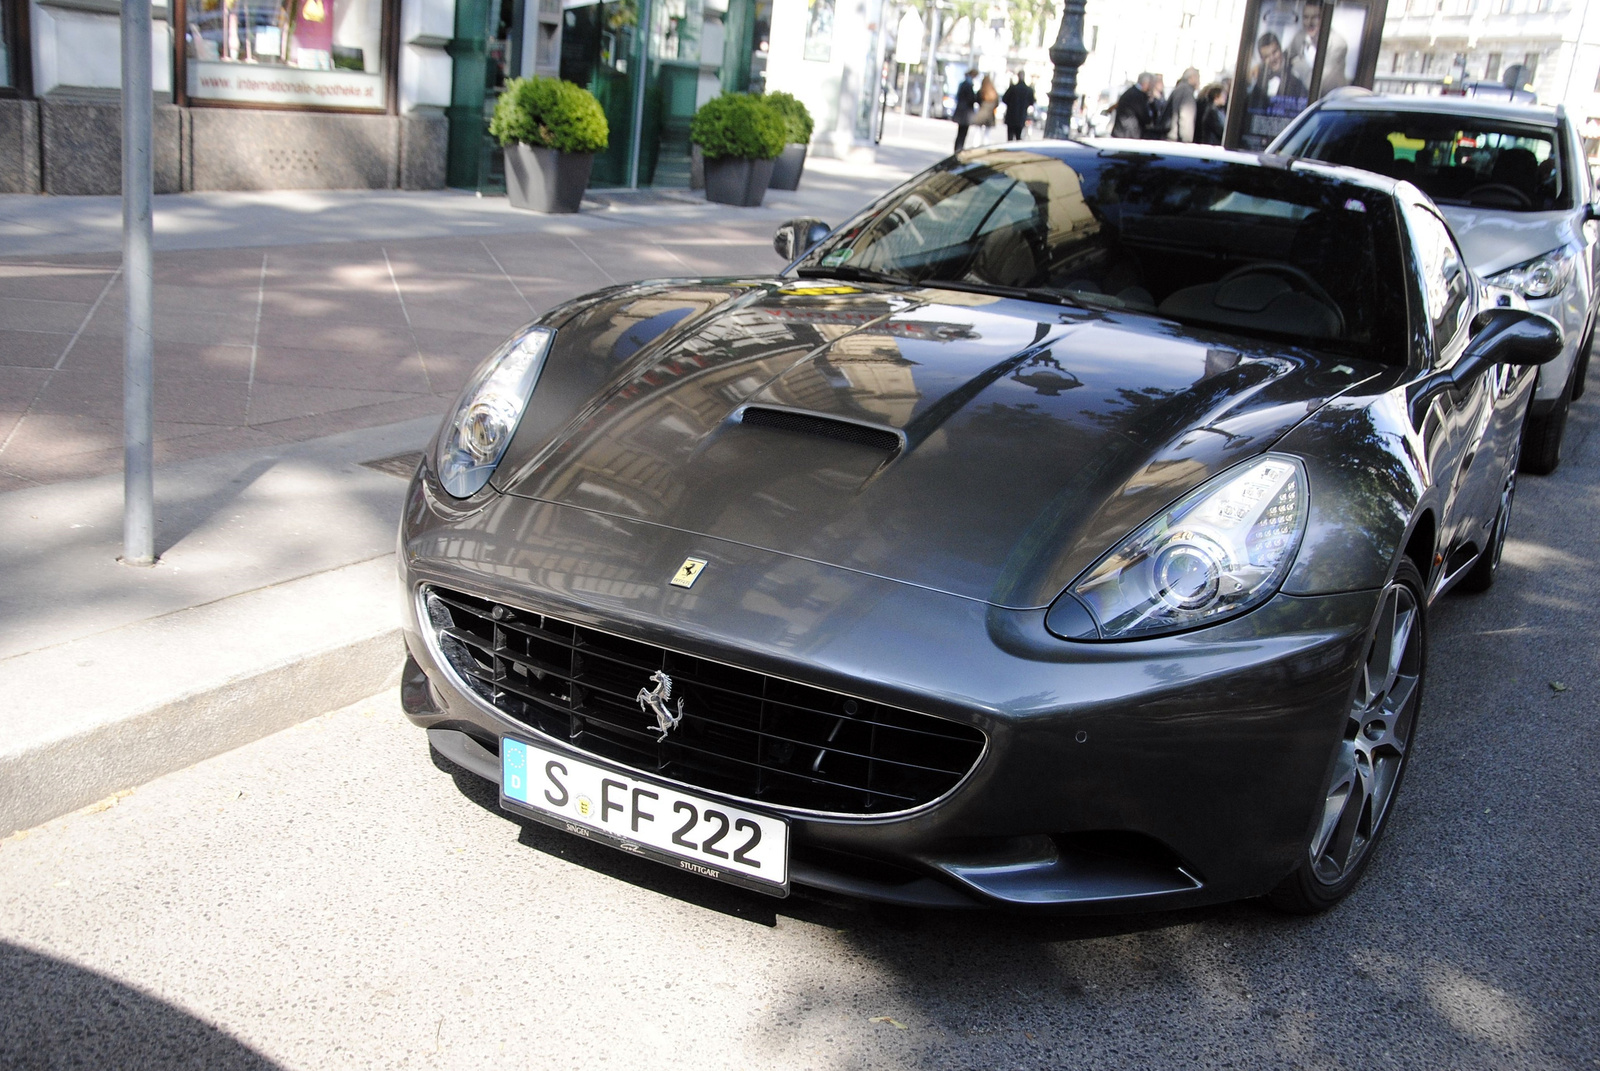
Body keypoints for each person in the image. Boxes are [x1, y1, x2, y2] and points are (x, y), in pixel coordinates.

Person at [1288, 1, 1349, 92]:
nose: (1309, 22)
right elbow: (1285, 59)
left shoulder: (1338, 44)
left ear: (1325, 18)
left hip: (1328, 100)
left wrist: (1298, 65)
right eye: (1306, 17)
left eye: (1315, 17)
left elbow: (1317, 84)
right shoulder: (1299, 37)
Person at [1247, 33, 1307, 113]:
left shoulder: (1297, 78)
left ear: (1280, 49)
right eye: (1267, 57)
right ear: (1262, 60)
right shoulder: (1259, 83)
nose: (1272, 59)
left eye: (1274, 52)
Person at [1108, 73, 1152, 138]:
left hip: (1122, 132)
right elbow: (1144, 116)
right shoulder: (1137, 95)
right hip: (1127, 133)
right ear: (1145, 83)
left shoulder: (1132, 92)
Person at [1166, 67, 1200, 143]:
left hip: (1171, 136)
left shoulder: (1180, 88)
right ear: (1191, 78)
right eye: (1198, 77)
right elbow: (1186, 117)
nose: (1199, 81)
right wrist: (1187, 141)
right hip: (1175, 138)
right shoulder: (1186, 91)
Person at [1002, 71, 1035, 142]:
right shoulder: (1028, 90)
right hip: (1021, 116)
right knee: (1018, 137)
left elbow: (1004, 99)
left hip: (1011, 115)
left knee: (1010, 138)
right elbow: (1032, 102)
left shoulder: (1012, 88)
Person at [952, 69, 978, 151]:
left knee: (960, 132)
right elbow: (971, 99)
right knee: (963, 133)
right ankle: (959, 149)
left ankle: (957, 149)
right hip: (965, 112)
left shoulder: (962, 84)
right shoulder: (968, 85)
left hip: (961, 111)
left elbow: (958, 97)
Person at [1142, 73, 1170, 140]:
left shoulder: (1162, 97)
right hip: (1150, 132)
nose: (1162, 83)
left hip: (1160, 129)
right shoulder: (1148, 98)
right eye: (1159, 81)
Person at [974, 74, 1000, 145]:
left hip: (981, 113)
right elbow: (997, 104)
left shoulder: (981, 92)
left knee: (978, 133)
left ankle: (976, 147)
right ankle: (985, 147)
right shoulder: (994, 93)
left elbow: (976, 100)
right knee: (987, 134)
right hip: (990, 115)